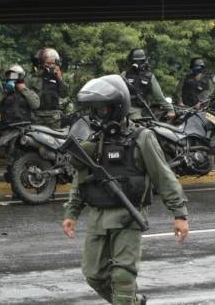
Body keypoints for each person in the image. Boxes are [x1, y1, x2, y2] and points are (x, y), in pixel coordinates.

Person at [62, 74, 189, 305]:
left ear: (117, 108)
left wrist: (179, 214)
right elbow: (80, 178)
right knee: (94, 275)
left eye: (102, 109)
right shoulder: (95, 141)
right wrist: (72, 212)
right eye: (94, 110)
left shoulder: (142, 138)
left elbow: (163, 176)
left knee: (122, 276)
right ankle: (133, 302)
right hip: (98, 218)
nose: (97, 115)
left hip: (129, 216)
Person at [121, 49, 174, 120]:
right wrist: (171, 110)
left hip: (122, 110)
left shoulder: (124, 74)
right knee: (140, 129)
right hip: (133, 111)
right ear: (146, 61)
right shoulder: (149, 77)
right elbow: (159, 97)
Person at [26, 47, 69, 129]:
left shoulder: (57, 77)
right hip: (36, 116)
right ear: (42, 63)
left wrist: (60, 78)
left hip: (53, 117)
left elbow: (64, 94)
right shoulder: (33, 77)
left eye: (54, 64)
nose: (51, 66)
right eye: (48, 63)